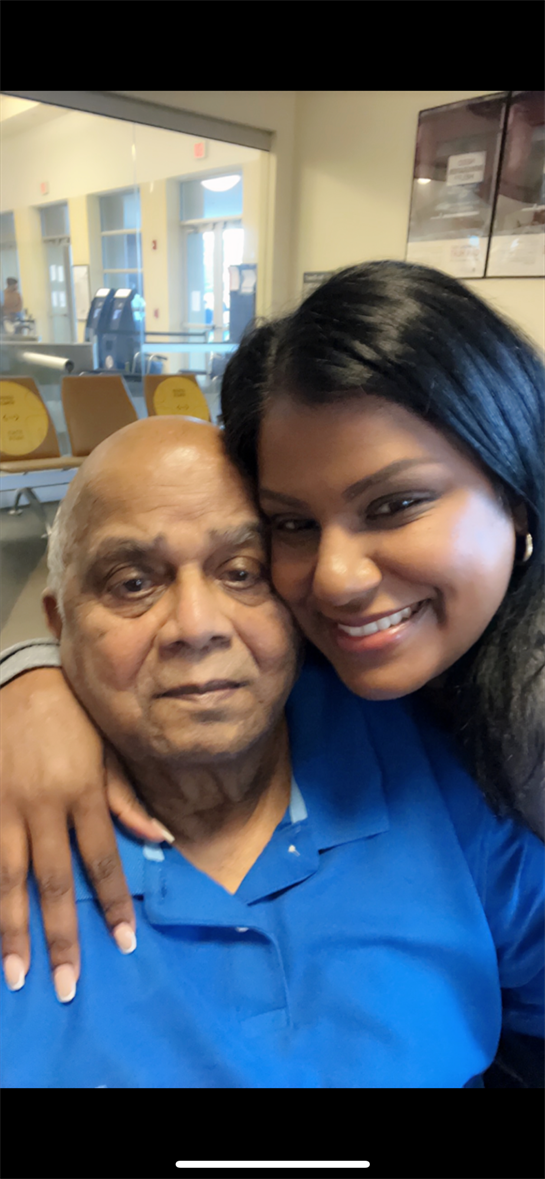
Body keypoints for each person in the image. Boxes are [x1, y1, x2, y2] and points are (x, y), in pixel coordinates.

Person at [1, 263, 544, 1082]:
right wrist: (27, 676)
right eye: (133, 583)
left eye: (242, 569)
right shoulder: (23, 800)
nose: (194, 627)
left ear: (517, 492)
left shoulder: (439, 776)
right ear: (61, 621)